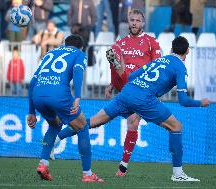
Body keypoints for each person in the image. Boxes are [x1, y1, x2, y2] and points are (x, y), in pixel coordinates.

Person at [54, 36, 210, 181]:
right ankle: (178, 174)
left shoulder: (161, 60)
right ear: (187, 51)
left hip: (127, 92)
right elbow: (183, 100)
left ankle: (57, 138)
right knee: (176, 127)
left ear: (171, 50)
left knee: (92, 122)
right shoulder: (180, 67)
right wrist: (200, 103)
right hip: (145, 98)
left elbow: (133, 75)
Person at [57, 9, 161, 176]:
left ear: (143, 23)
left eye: (137, 20)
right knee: (94, 122)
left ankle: (122, 168)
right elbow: (115, 66)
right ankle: (58, 137)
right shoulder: (122, 43)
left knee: (133, 122)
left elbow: (157, 68)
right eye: (131, 20)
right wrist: (112, 83)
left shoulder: (151, 42)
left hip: (141, 89)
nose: (134, 23)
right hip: (124, 89)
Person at [27, 35, 104, 182]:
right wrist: (78, 96)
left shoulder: (50, 53)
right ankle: (87, 174)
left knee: (55, 125)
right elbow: (77, 72)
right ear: (81, 47)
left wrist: (31, 111)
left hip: (38, 95)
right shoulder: (79, 54)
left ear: (64, 44)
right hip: (59, 95)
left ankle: (43, 164)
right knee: (82, 127)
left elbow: (32, 82)